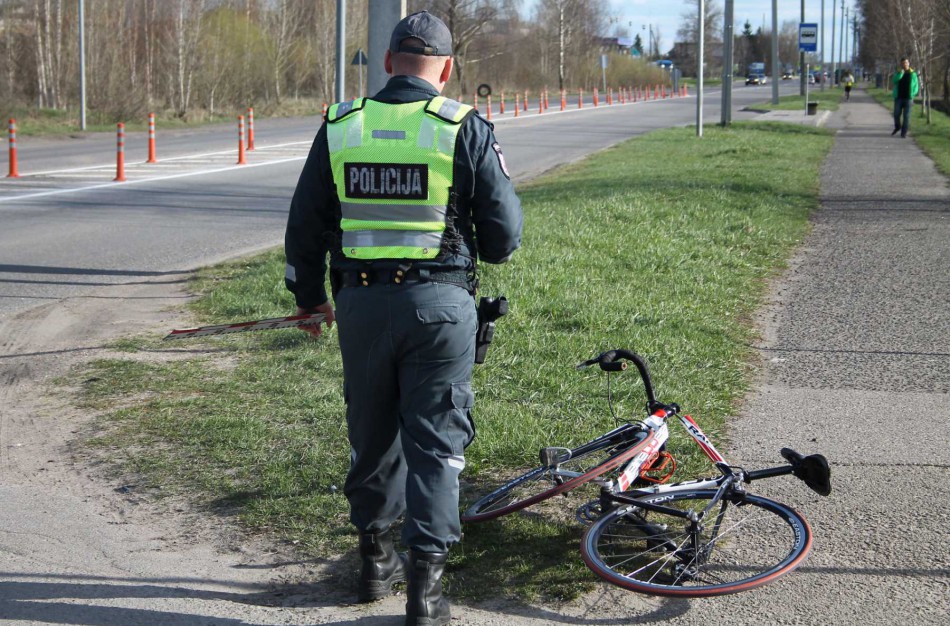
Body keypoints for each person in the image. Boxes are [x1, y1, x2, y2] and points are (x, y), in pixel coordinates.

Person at [283, 10, 522, 626]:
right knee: (436, 441)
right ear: (446, 69)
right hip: (441, 309)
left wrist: (309, 298)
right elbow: (503, 240)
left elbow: (305, 225)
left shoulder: (342, 124)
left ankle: (373, 560)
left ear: (388, 63)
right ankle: (426, 592)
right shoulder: (462, 127)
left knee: (371, 431)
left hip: (361, 306)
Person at [891, 58, 919, 138]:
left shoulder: (913, 74)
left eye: (906, 62)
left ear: (909, 63)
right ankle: (897, 126)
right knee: (896, 114)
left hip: (908, 98)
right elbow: (894, 81)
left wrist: (913, 94)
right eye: (903, 63)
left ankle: (904, 133)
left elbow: (916, 85)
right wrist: (900, 74)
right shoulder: (898, 72)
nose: (905, 64)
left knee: (906, 116)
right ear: (901, 64)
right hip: (899, 97)